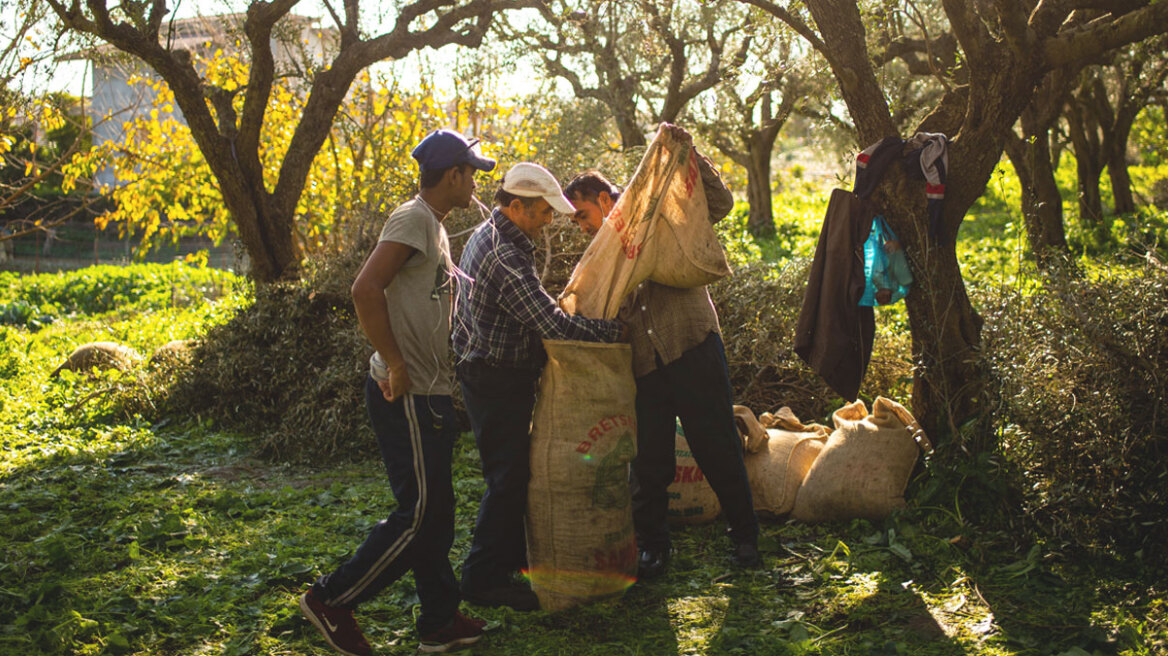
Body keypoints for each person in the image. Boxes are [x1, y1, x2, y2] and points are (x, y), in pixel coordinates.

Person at [299, 130, 493, 656]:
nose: (474, 181)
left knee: (437, 510)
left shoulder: (435, 227)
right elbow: (365, 288)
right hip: (404, 392)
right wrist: (399, 362)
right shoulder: (412, 218)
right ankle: (332, 600)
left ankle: (438, 620)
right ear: (451, 175)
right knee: (422, 513)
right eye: (470, 172)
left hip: (430, 391)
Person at [564, 126, 761, 580]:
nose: (580, 226)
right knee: (650, 461)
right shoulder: (601, 254)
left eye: (581, 214)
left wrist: (689, 153)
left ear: (603, 198)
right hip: (646, 365)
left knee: (717, 445)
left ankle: (745, 537)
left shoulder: (657, 211)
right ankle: (653, 548)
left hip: (691, 343)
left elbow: (719, 206)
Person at [453, 162, 625, 611]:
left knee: (512, 471)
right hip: (494, 379)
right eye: (543, 212)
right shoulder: (505, 255)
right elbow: (549, 322)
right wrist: (608, 335)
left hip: (487, 369)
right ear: (515, 206)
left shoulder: (494, 235)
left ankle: (507, 560)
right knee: (507, 478)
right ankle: (482, 578)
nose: (551, 220)